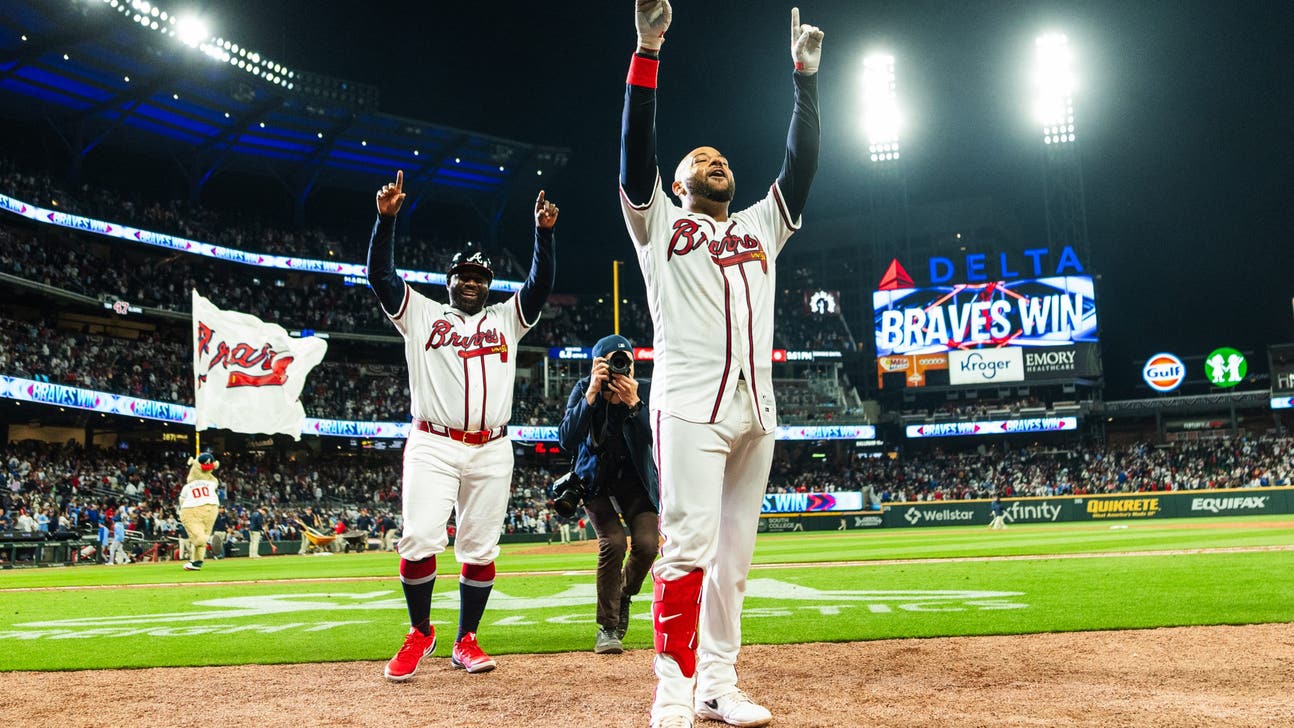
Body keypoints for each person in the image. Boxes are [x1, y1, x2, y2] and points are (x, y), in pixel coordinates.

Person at [618, 4, 823, 726]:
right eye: (700, 160)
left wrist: (805, 80)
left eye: (723, 158)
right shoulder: (659, 225)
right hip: (691, 405)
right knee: (688, 549)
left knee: (733, 561)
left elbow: (799, 169)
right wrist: (649, 49)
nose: (717, 162)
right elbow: (634, 155)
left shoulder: (758, 226)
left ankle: (715, 684)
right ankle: (671, 692)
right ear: (677, 185)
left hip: (756, 408)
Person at [367, 169, 558, 680]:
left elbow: (540, 286)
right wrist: (385, 222)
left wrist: (543, 234)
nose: (470, 282)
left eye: (479, 277)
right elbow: (380, 279)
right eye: (463, 275)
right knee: (421, 537)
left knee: (479, 547)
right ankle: (421, 631)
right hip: (432, 441)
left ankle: (466, 639)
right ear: (449, 281)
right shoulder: (421, 314)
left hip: (493, 447)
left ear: (488, 285)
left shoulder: (506, 319)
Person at [557, 334, 660, 655]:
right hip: (595, 482)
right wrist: (590, 395)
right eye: (611, 362)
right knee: (612, 542)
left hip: (636, 482)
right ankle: (608, 627)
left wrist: (635, 405)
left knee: (646, 545)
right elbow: (566, 439)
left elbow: (657, 438)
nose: (619, 369)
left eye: (624, 362)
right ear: (597, 364)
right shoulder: (584, 388)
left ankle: (624, 594)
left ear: (632, 364)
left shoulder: (644, 389)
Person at [178, 453, 221, 571]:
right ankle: (197, 562)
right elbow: (215, 482)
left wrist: (181, 512)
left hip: (192, 508)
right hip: (212, 507)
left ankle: (210, 540)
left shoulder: (188, 486)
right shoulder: (210, 483)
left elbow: (181, 500)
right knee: (201, 535)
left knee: (198, 536)